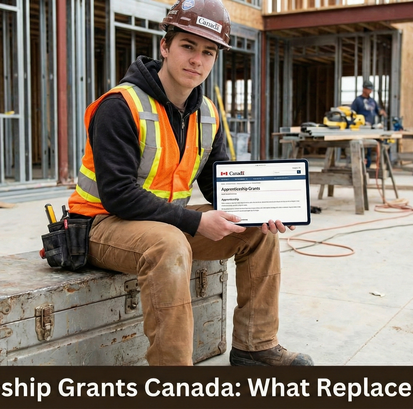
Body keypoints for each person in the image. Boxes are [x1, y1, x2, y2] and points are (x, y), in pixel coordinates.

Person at [67, 0, 313, 367]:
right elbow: (119, 195)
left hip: (162, 222)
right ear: (165, 47)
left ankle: (254, 346)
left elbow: (220, 186)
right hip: (100, 225)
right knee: (168, 244)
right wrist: (197, 222)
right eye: (187, 46)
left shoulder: (208, 113)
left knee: (258, 234)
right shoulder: (120, 105)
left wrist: (260, 212)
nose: (197, 60)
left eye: (208, 52)